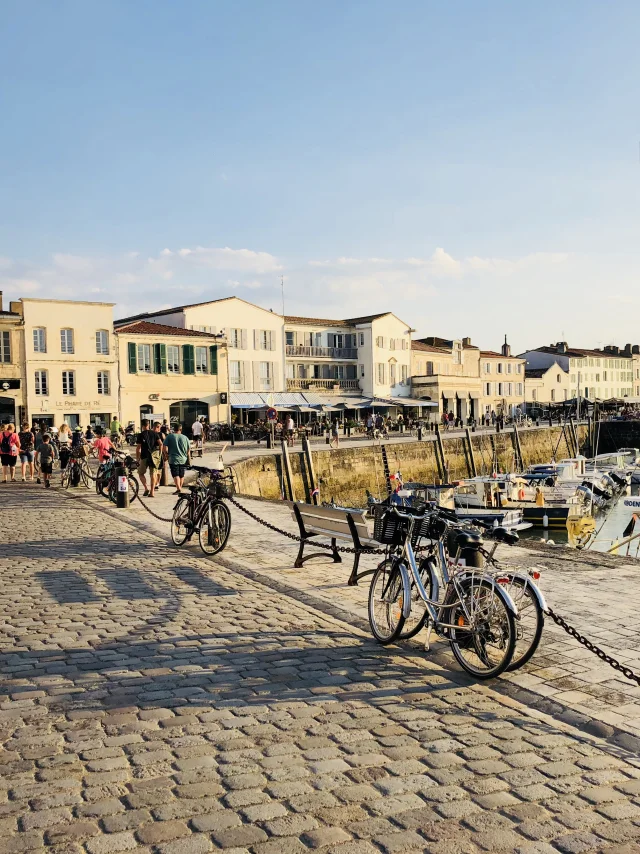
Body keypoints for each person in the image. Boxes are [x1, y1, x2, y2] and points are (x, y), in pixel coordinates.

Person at [136, 419, 163, 497]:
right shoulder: (155, 433)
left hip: (144, 456)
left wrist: (138, 458)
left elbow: (138, 448)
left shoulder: (140, 435)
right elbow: (161, 444)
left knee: (141, 473)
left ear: (142, 426)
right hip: (154, 456)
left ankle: (146, 488)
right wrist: (160, 453)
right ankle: (152, 492)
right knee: (153, 474)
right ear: (149, 425)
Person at [162, 423, 191, 494]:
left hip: (173, 458)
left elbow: (164, 447)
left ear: (173, 429)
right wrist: (187, 457)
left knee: (175, 474)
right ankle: (180, 488)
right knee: (181, 474)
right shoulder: (185, 437)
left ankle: (178, 488)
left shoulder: (169, 436)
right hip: (183, 458)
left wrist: (166, 454)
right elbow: (188, 449)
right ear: (181, 429)